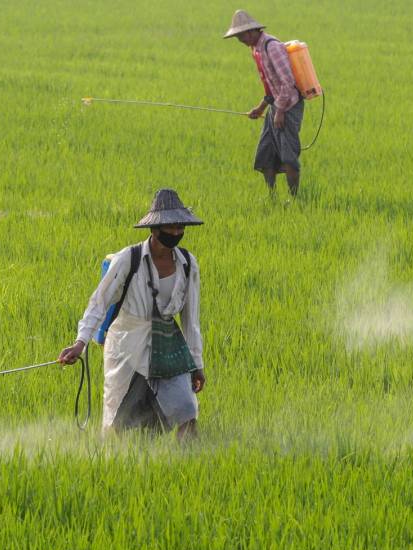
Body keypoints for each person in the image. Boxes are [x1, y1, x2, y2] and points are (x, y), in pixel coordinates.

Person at [58, 189, 206, 440]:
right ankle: (118, 456)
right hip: (128, 346)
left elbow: (191, 320)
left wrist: (197, 365)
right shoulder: (129, 259)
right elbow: (99, 303)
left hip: (168, 344)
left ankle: (187, 457)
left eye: (180, 227)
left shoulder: (188, 264)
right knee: (120, 420)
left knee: (187, 409)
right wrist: (80, 343)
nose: (176, 232)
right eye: (171, 227)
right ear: (155, 229)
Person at [223, 10, 304, 198]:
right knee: (265, 153)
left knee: (288, 156)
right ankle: (271, 197)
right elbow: (270, 86)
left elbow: (288, 82)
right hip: (277, 106)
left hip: (289, 106)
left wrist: (280, 111)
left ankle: (294, 200)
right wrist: (260, 108)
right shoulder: (257, 50)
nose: (240, 41)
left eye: (241, 36)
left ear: (251, 31)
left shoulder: (272, 47)